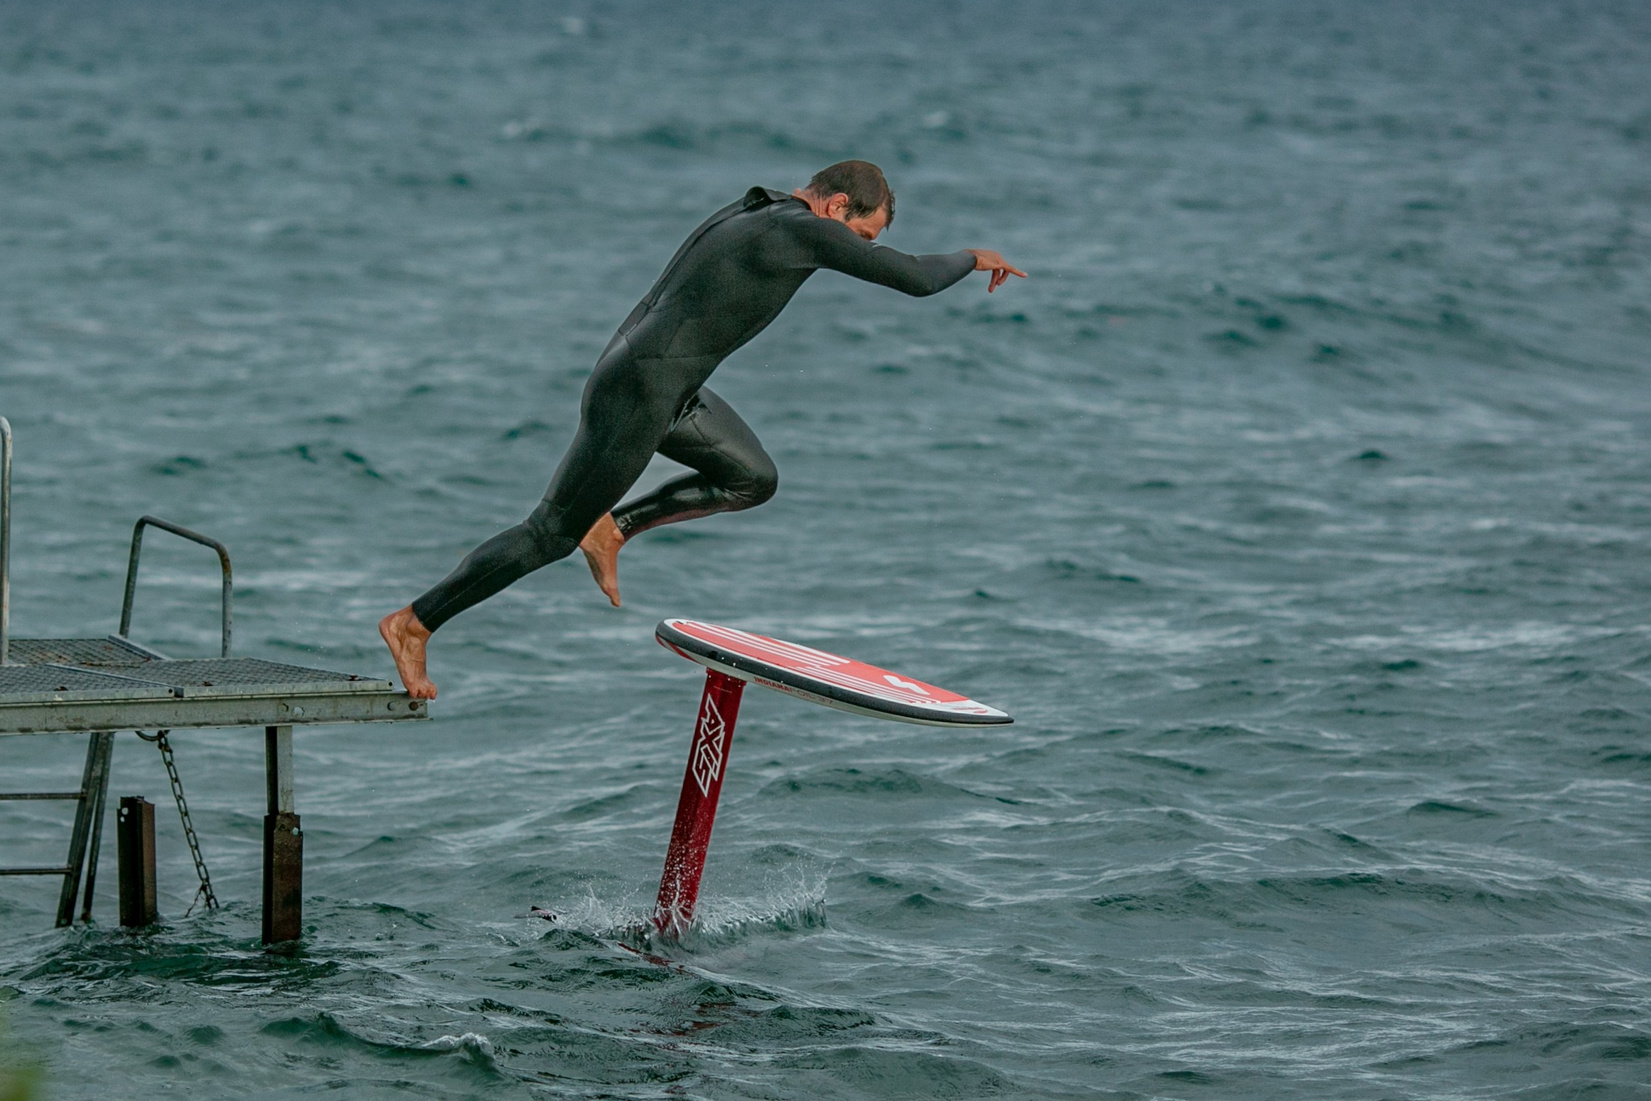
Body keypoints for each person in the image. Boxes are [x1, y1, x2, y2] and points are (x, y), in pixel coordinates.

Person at [380, 160, 1025, 699]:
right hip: (641, 390)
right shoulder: (803, 229)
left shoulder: (755, 208)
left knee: (751, 478)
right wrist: (973, 257)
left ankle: (614, 527)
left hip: (662, 383)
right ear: (836, 206)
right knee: (549, 533)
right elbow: (912, 278)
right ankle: (416, 623)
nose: (861, 252)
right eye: (863, 237)